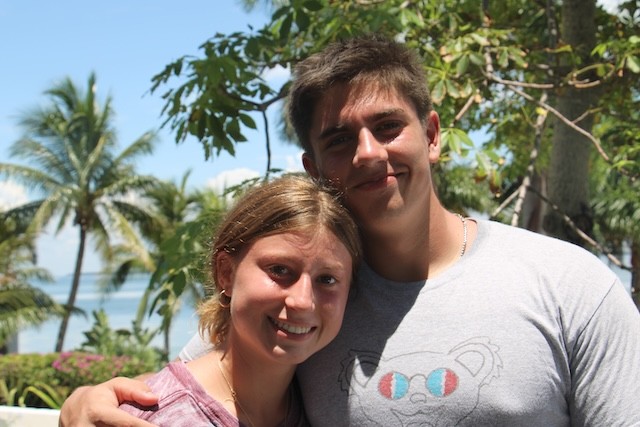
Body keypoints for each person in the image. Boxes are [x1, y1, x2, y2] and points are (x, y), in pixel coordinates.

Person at [60, 35, 640, 426]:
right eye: (339, 139)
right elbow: (198, 383)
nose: (368, 153)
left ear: (432, 135)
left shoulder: (568, 285)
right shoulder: (311, 301)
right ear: (313, 168)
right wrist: (86, 402)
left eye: (388, 127)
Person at [117, 174, 362, 426]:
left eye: (327, 279)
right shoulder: (157, 416)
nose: (302, 301)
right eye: (279, 270)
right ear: (226, 273)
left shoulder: (312, 411)